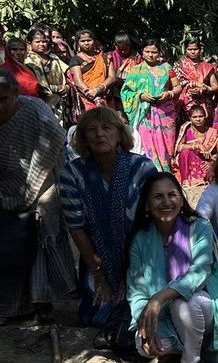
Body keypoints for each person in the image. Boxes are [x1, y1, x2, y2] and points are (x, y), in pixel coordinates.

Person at [0, 70, 74, 325]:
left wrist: (31, 188)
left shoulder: (35, 110)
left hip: (39, 178)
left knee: (40, 235)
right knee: (1, 245)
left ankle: (42, 302)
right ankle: (7, 305)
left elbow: (53, 144)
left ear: (16, 95)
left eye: (3, 100)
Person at [128, 172, 218, 363]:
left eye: (172, 195)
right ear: (147, 205)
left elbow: (199, 272)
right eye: (158, 197)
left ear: (182, 200)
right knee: (142, 344)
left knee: (183, 304)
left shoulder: (199, 227)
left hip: (206, 305)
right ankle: (186, 349)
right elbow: (136, 289)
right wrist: (144, 320)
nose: (166, 202)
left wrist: (158, 298)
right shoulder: (141, 238)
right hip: (166, 314)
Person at [60, 106, 157, 324]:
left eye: (106, 128)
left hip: (142, 254)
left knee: (141, 314)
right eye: (91, 129)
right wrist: (97, 273)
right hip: (97, 257)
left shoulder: (142, 168)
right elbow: (76, 228)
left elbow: (154, 223)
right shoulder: (72, 174)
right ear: (84, 138)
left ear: (120, 134)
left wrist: (133, 272)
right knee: (94, 317)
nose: (99, 134)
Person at [120, 38, 179, 171]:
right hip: (144, 113)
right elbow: (126, 91)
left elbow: (177, 87)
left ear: (159, 53)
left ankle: (166, 170)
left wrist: (168, 94)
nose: (150, 55)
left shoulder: (167, 68)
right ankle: (151, 170)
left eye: (154, 52)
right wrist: (140, 96)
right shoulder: (136, 70)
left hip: (165, 112)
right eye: (147, 52)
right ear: (142, 52)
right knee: (147, 142)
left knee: (167, 143)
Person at [173, 103, 218, 200]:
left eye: (200, 116)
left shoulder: (212, 132)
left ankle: (201, 179)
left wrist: (211, 163)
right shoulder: (186, 130)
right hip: (188, 163)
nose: (198, 119)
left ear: (205, 117)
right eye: (194, 117)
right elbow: (179, 147)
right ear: (190, 118)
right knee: (185, 153)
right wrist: (197, 146)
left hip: (205, 164)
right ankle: (185, 181)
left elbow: (217, 152)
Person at [68, 29, 115, 117]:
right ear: (78, 43)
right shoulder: (75, 60)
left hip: (106, 96)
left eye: (89, 40)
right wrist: (92, 94)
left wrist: (97, 89)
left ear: (94, 41)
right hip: (88, 98)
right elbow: (78, 82)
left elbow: (112, 77)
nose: (86, 43)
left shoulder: (105, 57)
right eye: (82, 41)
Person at [25, 29, 69, 120]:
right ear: (30, 43)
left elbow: (65, 76)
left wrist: (66, 87)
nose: (41, 44)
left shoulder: (53, 59)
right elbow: (36, 84)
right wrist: (56, 88)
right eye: (38, 42)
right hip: (37, 102)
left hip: (57, 103)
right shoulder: (27, 60)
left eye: (44, 41)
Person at [174, 37, 218, 114]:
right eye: (190, 49)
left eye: (195, 49)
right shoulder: (179, 66)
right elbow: (175, 85)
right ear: (185, 50)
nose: (193, 52)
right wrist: (189, 86)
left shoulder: (207, 66)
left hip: (204, 105)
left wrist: (204, 89)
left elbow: (215, 86)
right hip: (184, 104)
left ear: (200, 50)